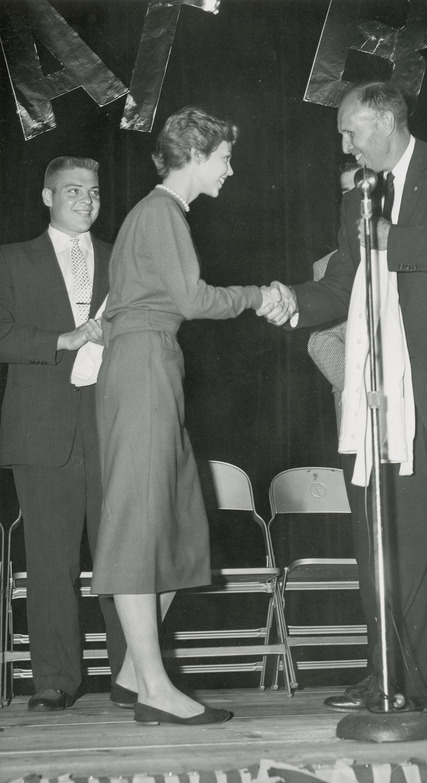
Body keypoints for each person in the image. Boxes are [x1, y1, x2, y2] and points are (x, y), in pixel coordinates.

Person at [260, 81, 427, 719]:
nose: (346, 145)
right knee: (402, 540)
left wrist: (390, 235)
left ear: (386, 122)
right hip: (393, 398)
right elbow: (346, 280)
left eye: (352, 132)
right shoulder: (358, 190)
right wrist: (295, 301)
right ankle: (399, 675)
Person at [90, 106, 278, 726]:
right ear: (195, 156)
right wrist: (258, 296)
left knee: (176, 522)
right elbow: (193, 300)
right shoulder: (163, 212)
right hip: (144, 363)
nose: (230, 169)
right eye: (224, 157)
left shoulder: (154, 214)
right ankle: (153, 689)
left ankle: (129, 675)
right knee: (143, 525)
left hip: (150, 362)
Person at [0, 156, 127, 711]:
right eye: (73, 190)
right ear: (47, 196)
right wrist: (62, 340)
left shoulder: (120, 259)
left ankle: (134, 674)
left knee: (121, 557)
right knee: (51, 562)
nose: (86, 200)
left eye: (94, 191)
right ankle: (54, 679)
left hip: (111, 426)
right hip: (41, 431)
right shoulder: (10, 261)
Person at [306, 161, 357, 431]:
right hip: (356, 409)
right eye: (348, 193)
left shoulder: (410, 256)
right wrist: (362, 389)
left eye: (362, 189)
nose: (356, 201)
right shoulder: (325, 267)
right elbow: (322, 341)